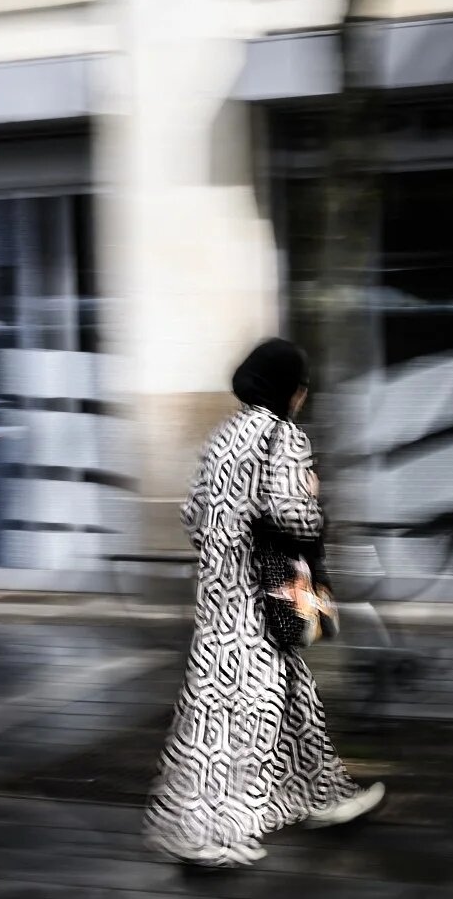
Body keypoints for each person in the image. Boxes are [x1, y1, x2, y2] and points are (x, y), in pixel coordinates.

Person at [144, 337, 384, 868]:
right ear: (290, 390)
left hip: (218, 591)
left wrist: (224, 540)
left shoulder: (222, 437)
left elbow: (191, 514)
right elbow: (292, 513)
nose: (301, 398)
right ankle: (206, 834)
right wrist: (314, 503)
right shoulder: (284, 435)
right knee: (244, 719)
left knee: (284, 695)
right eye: (300, 388)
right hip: (260, 594)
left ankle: (325, 797)